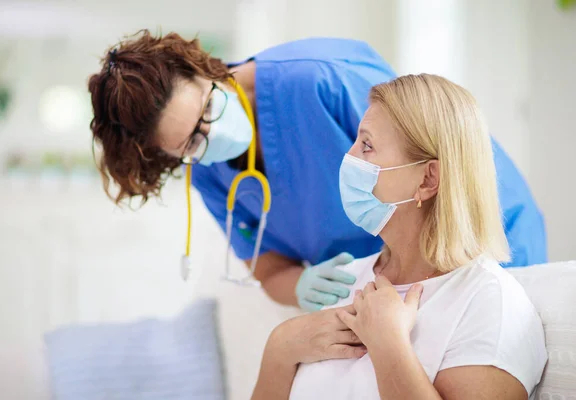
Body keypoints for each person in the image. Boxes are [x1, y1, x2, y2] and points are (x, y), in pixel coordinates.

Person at [88, 30, 546, 312]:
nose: (211, 133)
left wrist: (433, 285)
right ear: (167, 155)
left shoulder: (318, 78)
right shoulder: (207, 173)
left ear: (203, 68)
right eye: (192, 141)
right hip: (382, 298)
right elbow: (268, 269)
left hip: (480, 240)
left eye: (208, 107)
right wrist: (301, 286)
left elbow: (437, 154)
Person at [251, 74, 547, 400]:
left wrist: (388, 344)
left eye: (367, 146)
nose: (348, 159)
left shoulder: (490, 306)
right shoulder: (345, 282)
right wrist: (280, 346)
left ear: (427, 179)